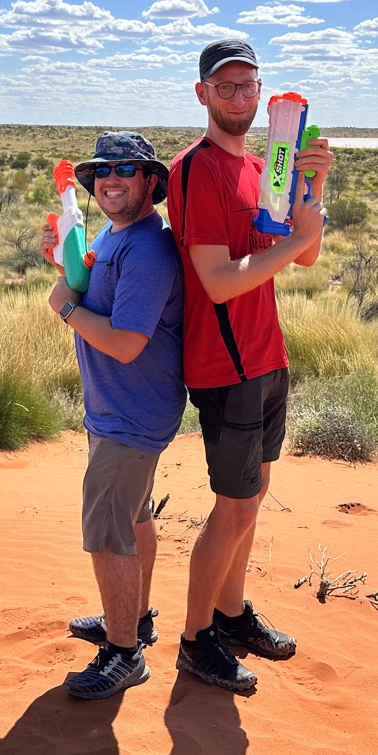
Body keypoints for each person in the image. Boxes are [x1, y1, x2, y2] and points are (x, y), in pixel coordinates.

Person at [166, 39, 332, 692]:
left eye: (249, 86)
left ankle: (231, 614)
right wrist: (293, 244)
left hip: (268, 354)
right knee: (232, 506)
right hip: (224, 365)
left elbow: (308, 255)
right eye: (225, 87)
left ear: (263, 94)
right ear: (202, 93)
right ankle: (194, 638)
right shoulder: (195, 170)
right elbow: (215, 281)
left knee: (253, 499)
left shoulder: (267, 168)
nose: (239, 98)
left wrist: (313, 185)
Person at [43, 131, 185, 700]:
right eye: (102, 171)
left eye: (126, 170)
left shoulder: (148, 248)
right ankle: (135, 618)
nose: (110, 180)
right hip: (120, 411)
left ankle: (124, 653)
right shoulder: (116, 233)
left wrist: (68, 307)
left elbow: (126, 342)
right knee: (133, 519)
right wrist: (69, 265)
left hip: (130, 416)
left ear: (151, 182)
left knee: (108, 534)